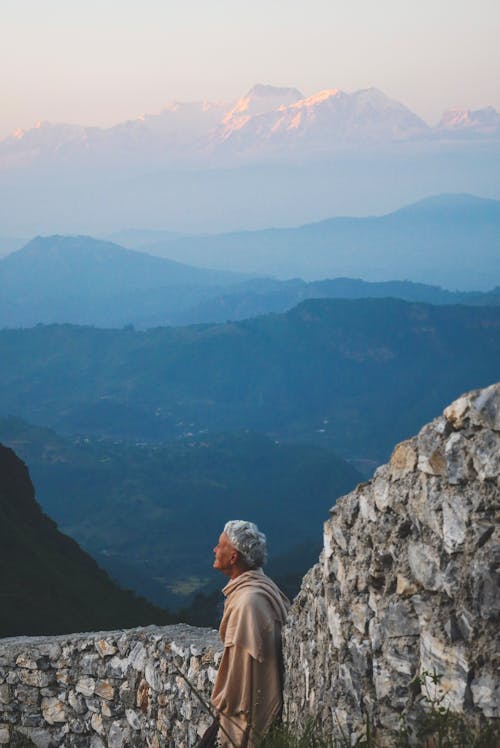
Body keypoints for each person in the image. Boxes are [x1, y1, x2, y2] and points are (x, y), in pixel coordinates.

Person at [209, 520, 290, 747]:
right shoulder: (258, 589)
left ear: (234, 557)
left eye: (219, 545)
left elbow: (244, 675)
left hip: (249, 718)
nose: (214, 550)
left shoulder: (248, 603)